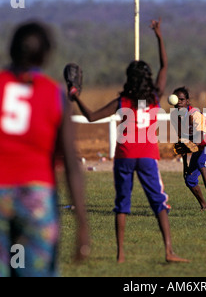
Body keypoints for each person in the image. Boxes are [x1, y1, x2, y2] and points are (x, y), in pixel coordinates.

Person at [0, 21, 90, 277]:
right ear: (45, 54)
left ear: (11, 49)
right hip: (36, 198)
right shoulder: (54, 94)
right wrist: (82, 225)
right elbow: (70, 163)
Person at [70, 19, 188, 264]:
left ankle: (120, 255)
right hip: (146, 155)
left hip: (124, 155)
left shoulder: (122, 101)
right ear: (147, 79)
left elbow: (91, 117)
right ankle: (168, 251)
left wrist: (76, 97)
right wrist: (159, 35)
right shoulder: (155, 97)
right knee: (158, 201)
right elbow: (165, 65)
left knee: (122, 203)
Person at [170, 87, 206, 211]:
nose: (179, 102)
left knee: (202, 162)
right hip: (201, 146)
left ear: (188, 102)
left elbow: (199, 137)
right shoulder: (175, 117)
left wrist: (188, 143)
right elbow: (183, 141)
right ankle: (204, 206)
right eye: (177, 99)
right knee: (190, 179)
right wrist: (185, 164)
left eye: (182, 99)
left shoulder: (194, 113)